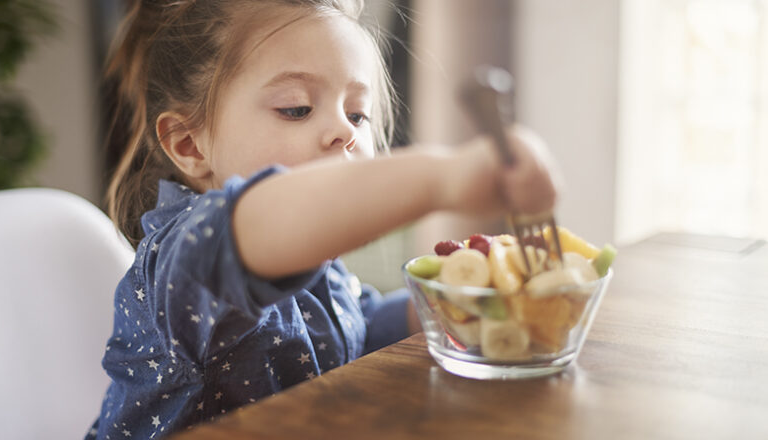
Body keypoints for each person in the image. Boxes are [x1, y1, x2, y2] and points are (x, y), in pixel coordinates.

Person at [86, 0, 561, 438]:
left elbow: (355, 331)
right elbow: (267, 218)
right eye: (296, 108)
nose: (342, 131)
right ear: (190, 144)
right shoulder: (185, 259)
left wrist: (446, 304)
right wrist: (443, 177)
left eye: (358, 115)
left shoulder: (314, 261)